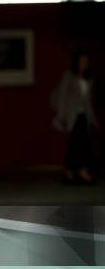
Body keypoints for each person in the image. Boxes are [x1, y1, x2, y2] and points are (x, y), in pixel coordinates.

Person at [52, 49, 100, 183]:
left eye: (86, 61)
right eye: (82, 60)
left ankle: (82, 170)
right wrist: (61, 116)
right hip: (72, 115)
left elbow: (88, 101)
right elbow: (62, 96)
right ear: (77, 62)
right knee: (73, 144)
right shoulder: (68, 75)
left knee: (84, 143)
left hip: (84, 115)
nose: (85, 63)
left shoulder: (89, 78)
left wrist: (94, 119)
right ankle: (70, 171)